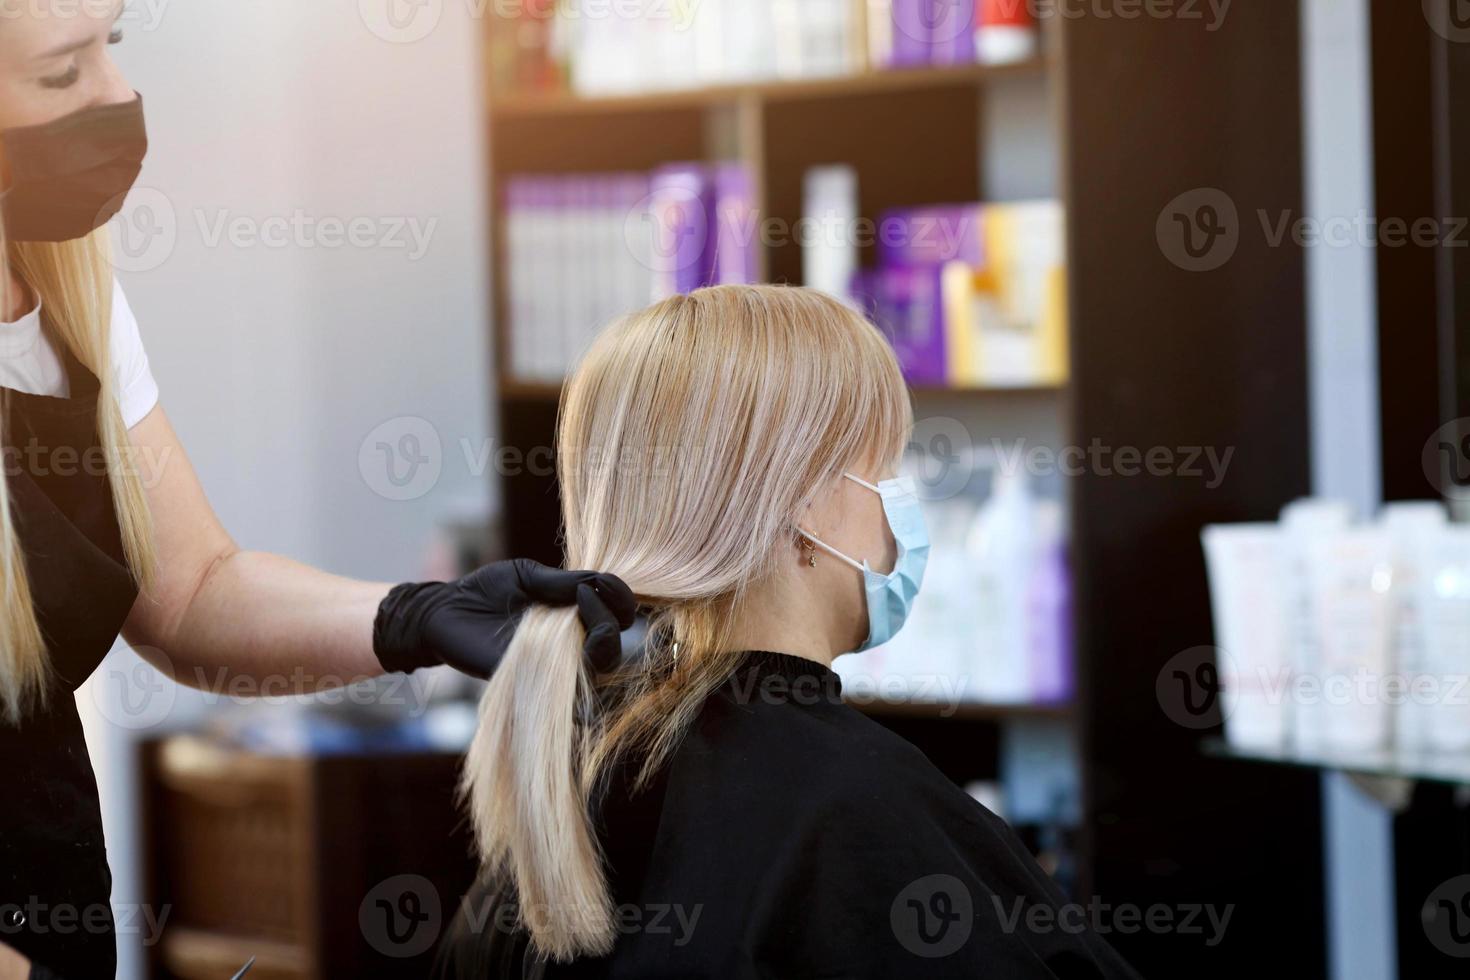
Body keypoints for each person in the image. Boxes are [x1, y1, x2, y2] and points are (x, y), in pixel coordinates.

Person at [0, 6, 606, 978]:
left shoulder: (71, 298)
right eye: (64, 74)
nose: (118, 97)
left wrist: (417, 615)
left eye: (111, 47)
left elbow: (192, 592)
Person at [435, 285, 1143, 978]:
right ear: (806, 506)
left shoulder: (565, 795)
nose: (901, 507)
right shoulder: (856, 809)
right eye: (887, 470)